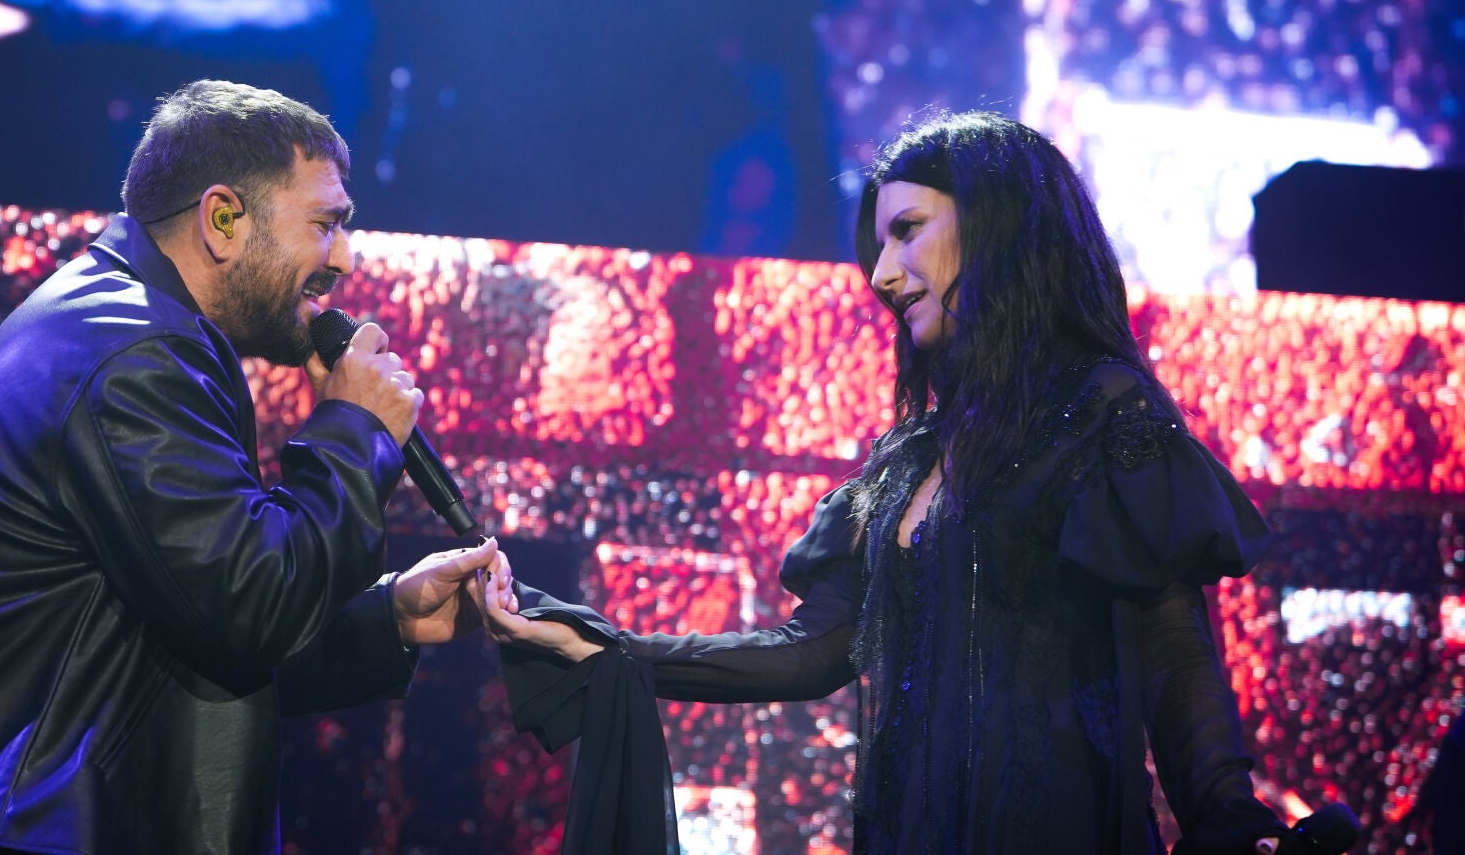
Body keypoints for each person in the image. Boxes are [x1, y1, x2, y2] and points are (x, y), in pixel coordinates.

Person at [481, 111, 1291, 854]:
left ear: (997, 223)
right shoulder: (908, 459)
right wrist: (609, 650)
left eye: (908, 230)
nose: (883, 274)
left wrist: (1229, 814)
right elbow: (813, 651)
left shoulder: (1103, 411)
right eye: (879, 245)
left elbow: (1172, 647)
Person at [0, 79, 509, 854]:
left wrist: (385, 616)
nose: (345, 258)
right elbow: (249, 604)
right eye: (326, 224)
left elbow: (189, 632)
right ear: (223, 218)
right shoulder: (134, 351)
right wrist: (355, 430)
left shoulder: (127, 326)